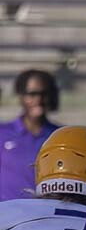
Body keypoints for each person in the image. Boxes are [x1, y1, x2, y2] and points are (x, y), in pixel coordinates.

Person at [0, 69, 60, 200]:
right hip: (7, 216)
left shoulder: (61, 137)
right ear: (21, 96)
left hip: (46, 215)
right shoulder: (2, 133)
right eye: (32, 94)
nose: (38, 99)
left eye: (44, 94)